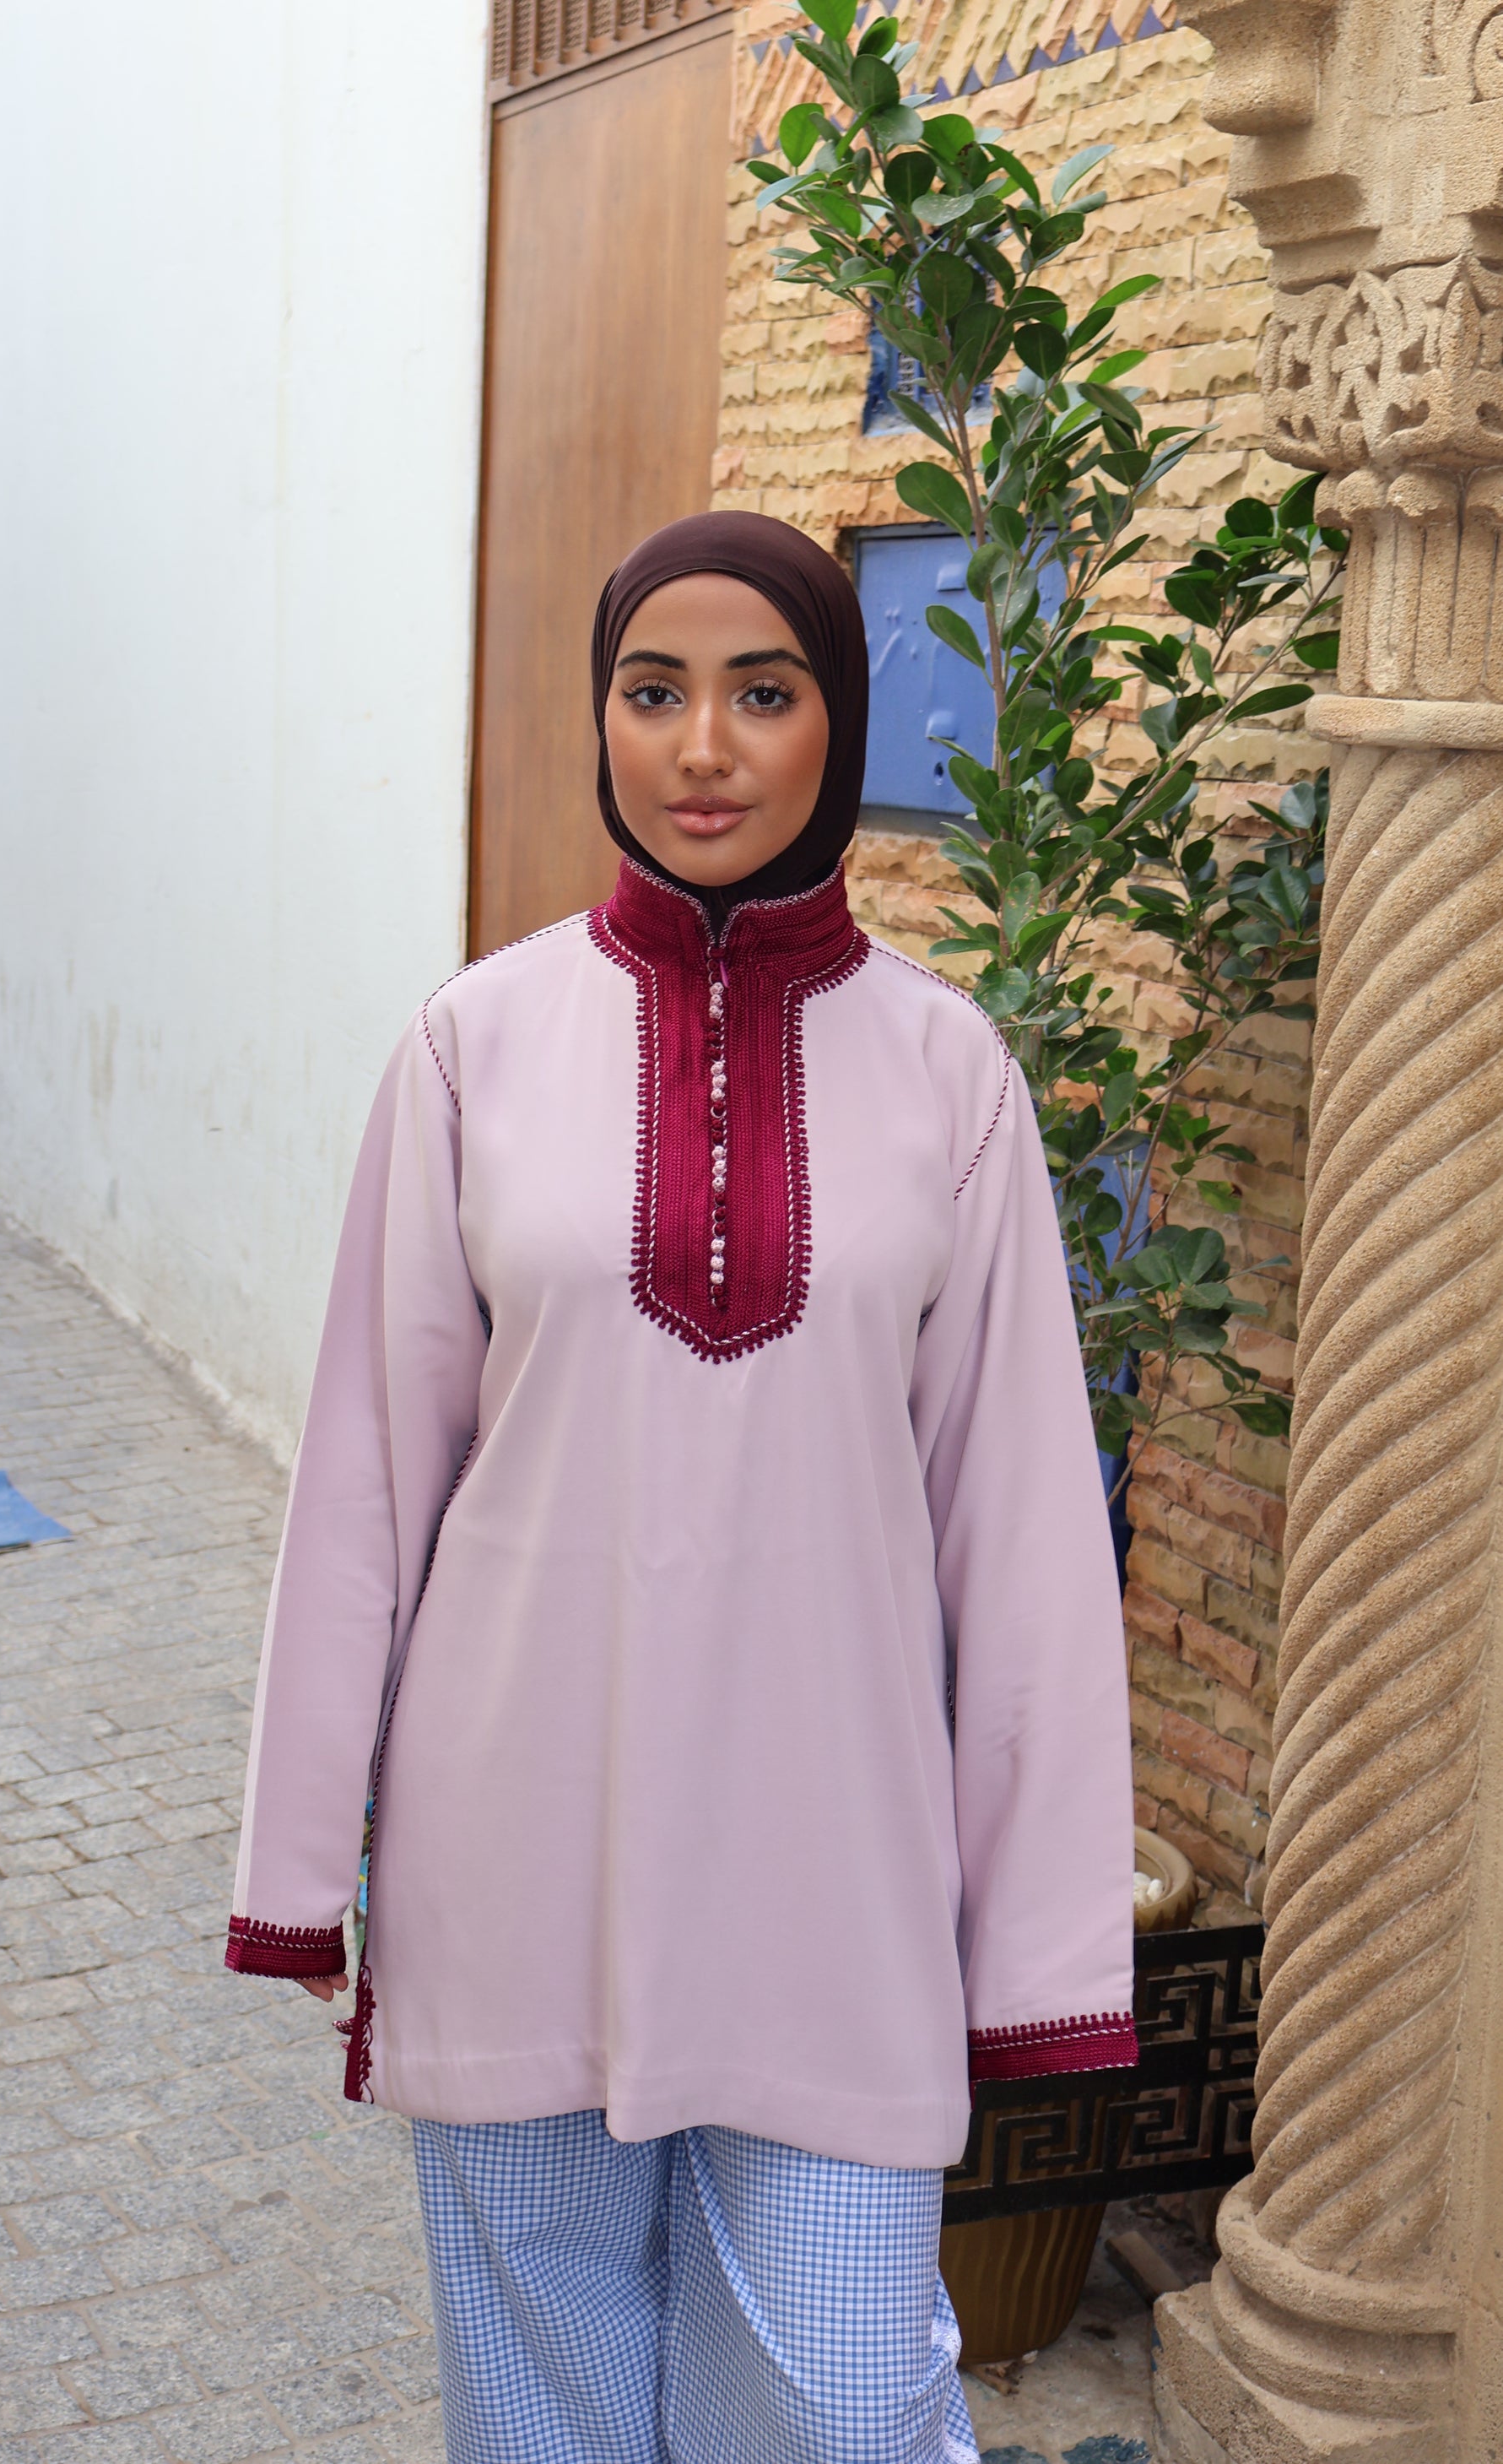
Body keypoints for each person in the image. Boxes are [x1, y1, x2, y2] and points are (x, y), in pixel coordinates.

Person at [224, 512, 1137, 2464]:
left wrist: (1043, 1953)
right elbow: (371, 1476)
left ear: (840, 723)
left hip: (833, 1877)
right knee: (541, 2414)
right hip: (514, 1854)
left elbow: (1023, 1546)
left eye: (762, 691)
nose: (702, 746)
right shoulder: (471, 1049)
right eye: (654, 692)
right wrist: (305, 1862)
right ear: (603, 721)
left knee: (835, 2406)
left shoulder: (947, 1076)